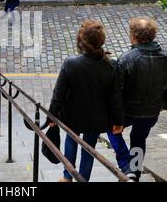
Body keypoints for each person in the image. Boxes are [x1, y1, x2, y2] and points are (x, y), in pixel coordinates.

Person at [47, 20, 123, 182]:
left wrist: (51, 116)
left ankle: (68, 176)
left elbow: (58, 94)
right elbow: (115, 96)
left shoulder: (71, 63)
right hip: (96, 118)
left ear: (81, 41)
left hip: (72, 115)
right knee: (89, 148)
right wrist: (118, 121)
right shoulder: (110, 65)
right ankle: (83, 179)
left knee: (71, 140)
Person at [107, 17, 167, 181]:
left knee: (111, 129)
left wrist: (116, 116)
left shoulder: (127, 60)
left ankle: (126, 166)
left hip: (128, 111)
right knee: (139, 139)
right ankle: (136, 173)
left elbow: (116, 92)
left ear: (133, 36)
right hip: (151, 113)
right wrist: (163, 104)